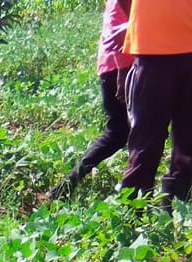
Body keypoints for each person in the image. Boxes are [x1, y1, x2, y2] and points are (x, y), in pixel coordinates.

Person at [117, 0, 192, 203]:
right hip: (151, 48)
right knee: (145, 138)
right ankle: (133, 207)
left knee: (189, 139)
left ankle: (175, 206)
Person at [48, 0, 133, 201]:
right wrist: (122, 72)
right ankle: (66, 186)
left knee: (124, 131)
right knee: (122, 132)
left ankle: (65, 187)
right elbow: (118, 27)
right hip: (120, 66)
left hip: (115, 65)